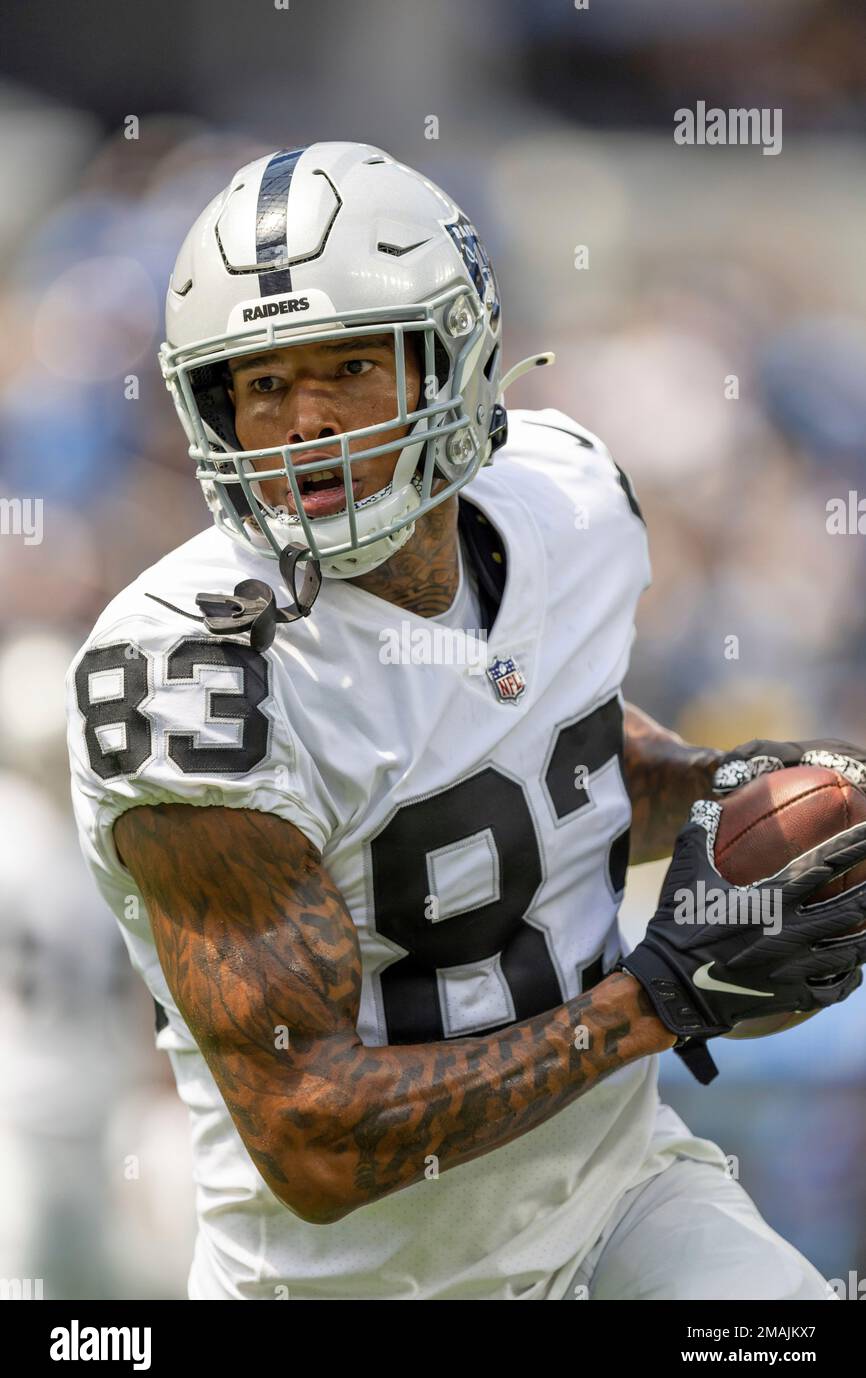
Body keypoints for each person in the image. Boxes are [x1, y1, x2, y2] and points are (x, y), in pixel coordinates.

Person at [65, 142, 866, 1300]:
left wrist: (717, 784)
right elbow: (312, 1135)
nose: (302, 423)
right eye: (263, 383)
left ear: (455, 352)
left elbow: (552, 748)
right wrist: (653, 1002)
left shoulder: (566, 496)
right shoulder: (187, 677)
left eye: (346, 365)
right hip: (363, 1283)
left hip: (619, 1191)